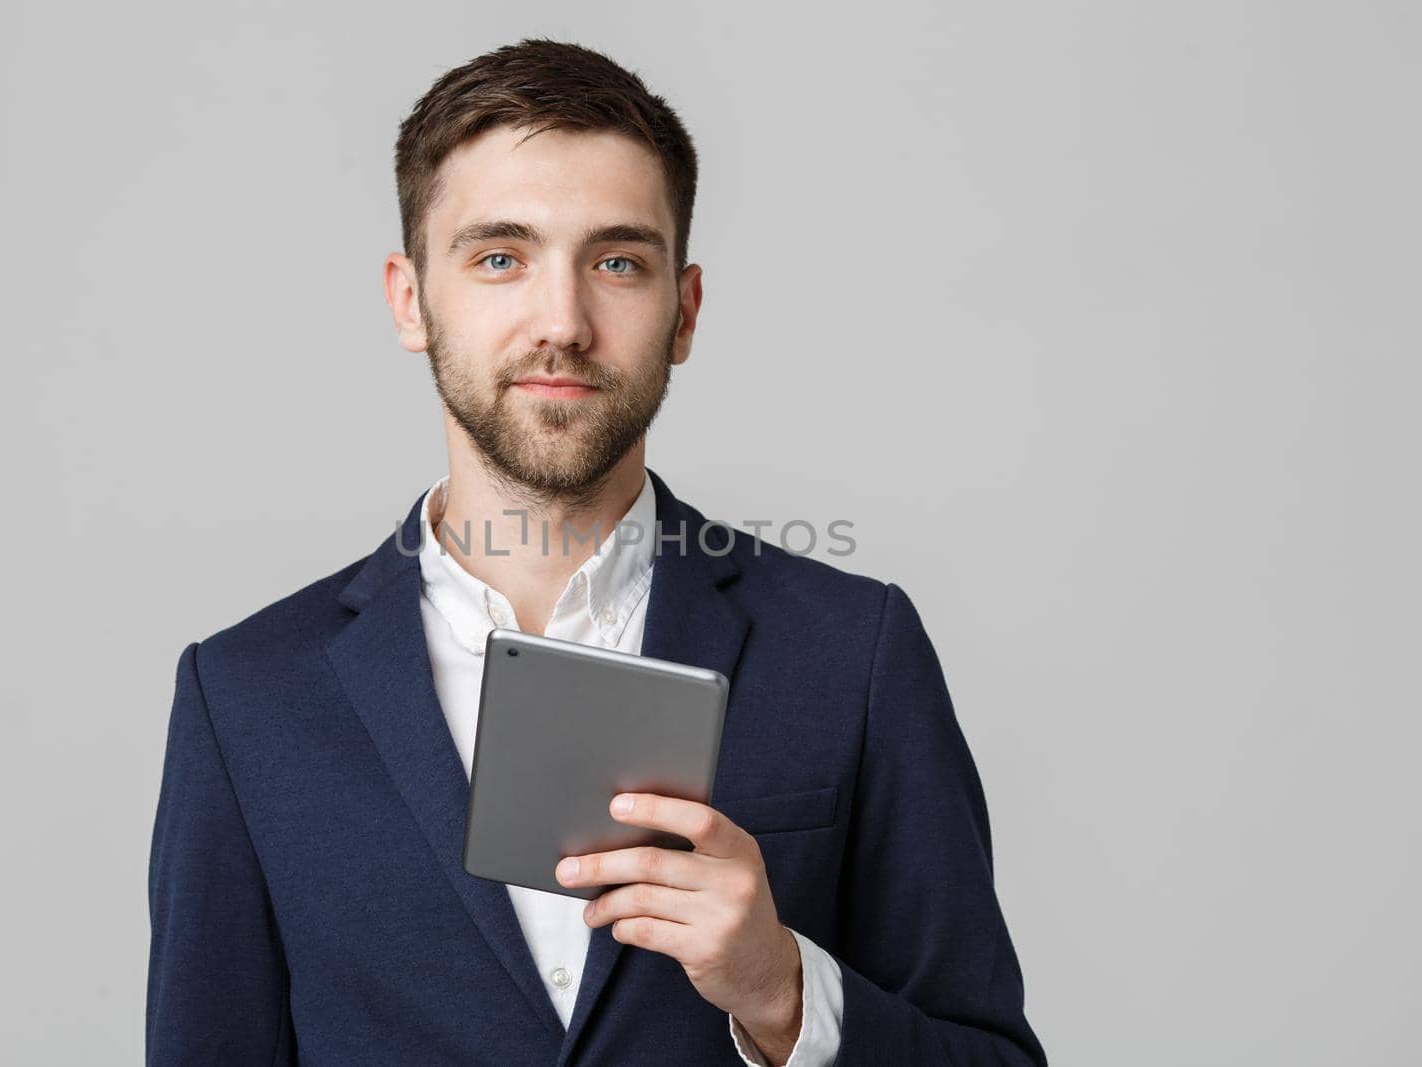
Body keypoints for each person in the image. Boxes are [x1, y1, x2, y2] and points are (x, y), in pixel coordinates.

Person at [146, 37, 1046, 1067]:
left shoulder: (854, 649)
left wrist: (783, 990)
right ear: (409, 298)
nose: (562, 322)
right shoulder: (247, 693)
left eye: (617, 261)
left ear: (684, 311)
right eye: (499, 258)